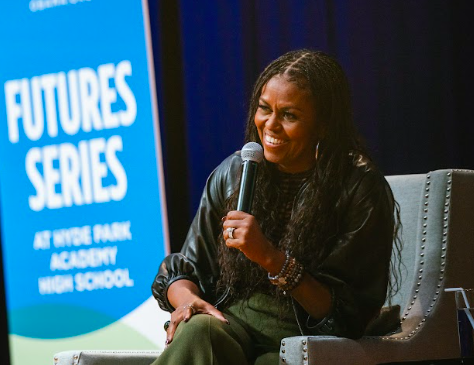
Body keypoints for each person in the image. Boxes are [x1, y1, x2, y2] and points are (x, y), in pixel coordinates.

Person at [150, 50, 399, 365]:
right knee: (198, 330)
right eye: (264, 109)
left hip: (305, 339)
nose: (270, 125)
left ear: (323, 125)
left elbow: (347, 316)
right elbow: (186, 267)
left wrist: (269, 257)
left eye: (290, 115)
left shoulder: (357, 187)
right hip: (234, 324)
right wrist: (188, 302)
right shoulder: (233, 173)